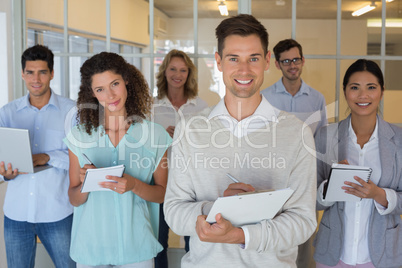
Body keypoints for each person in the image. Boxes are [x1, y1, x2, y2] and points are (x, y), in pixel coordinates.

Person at [164, 14, 317, 267]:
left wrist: (241, 235)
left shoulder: (297, 133)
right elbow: (174, 212)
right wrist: (219, 209)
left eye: (253, 59)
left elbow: (303, 221)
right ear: (219, 62)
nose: (244, 70)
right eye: (234, 58)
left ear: (267, 61)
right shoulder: (189, 130)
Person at [64, 52, 172, 267]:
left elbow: (161, 195)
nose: (110, 95)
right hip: (90, 247)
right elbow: (74, 198)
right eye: (100, 89)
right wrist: (87, 184)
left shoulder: (155, 136)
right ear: (92, 94)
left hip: (136, 247)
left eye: (115, 84)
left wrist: (134, 185)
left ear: (126, 81)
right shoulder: (79, 137)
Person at [314, 59, 402, 268]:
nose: (363, 95)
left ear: (382, 91)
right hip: (333, 253)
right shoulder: (326, 136)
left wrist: (378, 194)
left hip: (383, 255)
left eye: (371, 87)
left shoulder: (399, 140)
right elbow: (309, 199)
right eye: (355, 88)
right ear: (345, 91)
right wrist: (331, 186)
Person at [0, 45, 76, 268]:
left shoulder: (71, 111)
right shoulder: (6, 113)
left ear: (52, 73)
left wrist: (46, 157)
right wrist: (6, 174)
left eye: (42, 72)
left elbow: (80, 158)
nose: (36, 79)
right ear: (22, 74)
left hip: (57, 212)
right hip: (16, 214)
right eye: (30, 72)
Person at [152, 49, 208, 267]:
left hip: (192, 183)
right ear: (165, 72)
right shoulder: (151, 107)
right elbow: (143, 146)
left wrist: (186, 136)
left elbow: (208, 145)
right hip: (160, 182)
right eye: (173, 69)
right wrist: (159, 137)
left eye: (183, 70)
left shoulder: (201, 107)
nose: (178, 74)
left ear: (189, 74)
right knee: (158, 243)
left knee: (193, 242)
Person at [261, 39, 327, 136]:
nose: (292, 66)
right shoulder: (264, 98)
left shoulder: (317, 99)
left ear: (303, 61)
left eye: (296, 60)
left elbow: (322, 137)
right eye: (286, 61)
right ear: (277, 65)